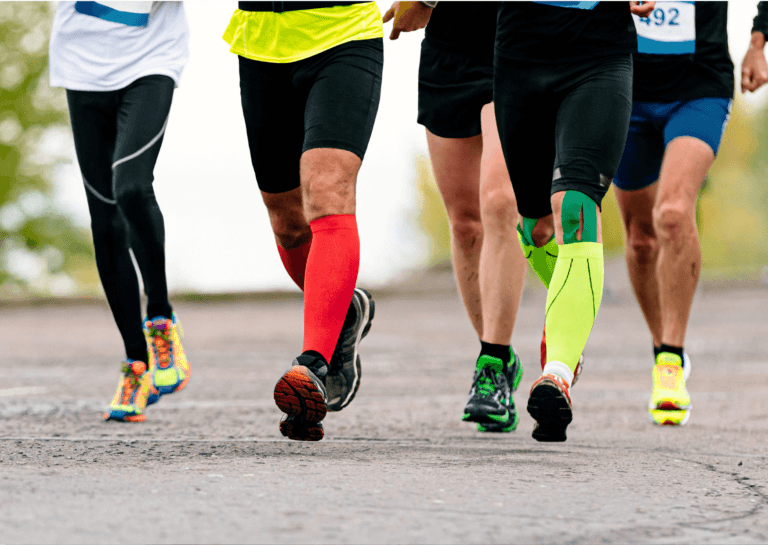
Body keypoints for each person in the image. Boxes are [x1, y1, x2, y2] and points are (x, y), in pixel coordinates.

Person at [492, 0, 653, 442]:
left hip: (598, 48)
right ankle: (568, 318)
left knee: (576, 205)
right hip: (520, 49)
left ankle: (557, 371)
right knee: (535, 227)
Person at [222, 1, 381, 441]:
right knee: (287, 220)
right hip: (261, 43)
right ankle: (345, 310)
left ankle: (312, 364)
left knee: (327, 190)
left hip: (343, 32)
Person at [385, 1, 528, 433]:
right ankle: (499, 359)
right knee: (466, 224)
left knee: (502, 201)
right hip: (451, 48)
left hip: (520, 42)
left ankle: (490, 362)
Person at [49, 1, 191, 423]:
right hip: (81, 64)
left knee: (130, 187)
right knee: (104, 218)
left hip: (150, 59)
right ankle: (137, 364)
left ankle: (161, 318)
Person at [613, 1, 735, 426]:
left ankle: (670, 357)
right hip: (622, 83)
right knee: (641, 239)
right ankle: (662, 346)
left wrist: (759, 39)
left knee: (672, 212)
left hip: (699, 85)